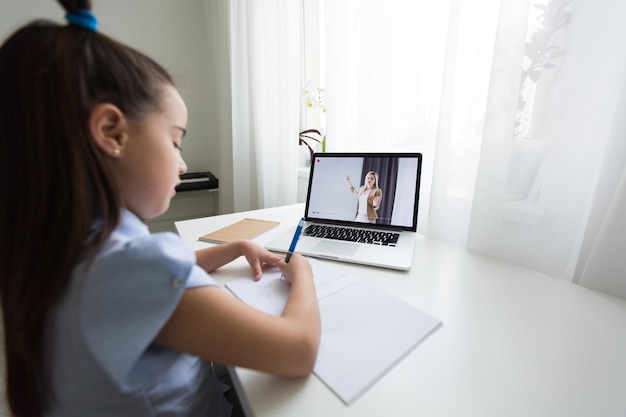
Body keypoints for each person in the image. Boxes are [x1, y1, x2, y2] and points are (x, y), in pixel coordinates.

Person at [0, 1, 321, 416]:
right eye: (174, 141)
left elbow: (142, 280)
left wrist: (234, 246)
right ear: (111, 132)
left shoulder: (57, 240)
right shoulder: (133, 267)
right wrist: (303, 274)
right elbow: (298, 350)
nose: (183, 163)